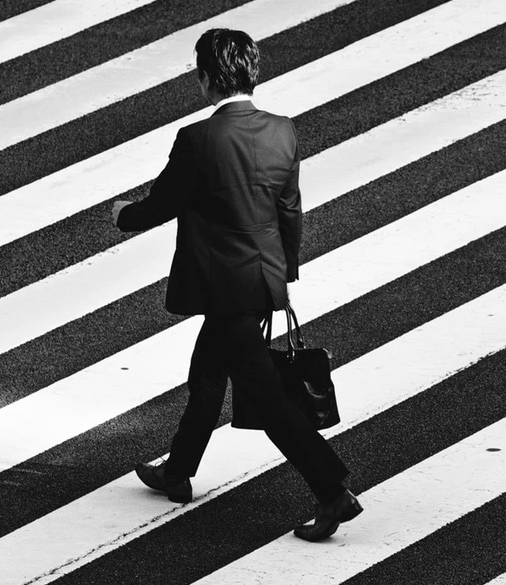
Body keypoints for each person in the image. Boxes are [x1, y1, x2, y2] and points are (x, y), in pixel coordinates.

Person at [112, 28, 361, 542]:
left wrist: (121, 215)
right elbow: (289, 210)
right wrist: (283, 275)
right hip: (260, 279)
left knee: (267, 400)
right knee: (207, 374)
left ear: (205, 79)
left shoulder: (199, 139)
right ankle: (178, 469)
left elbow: (160, 206)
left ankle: (333, 492)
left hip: (220, 285)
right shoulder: (283, 131)